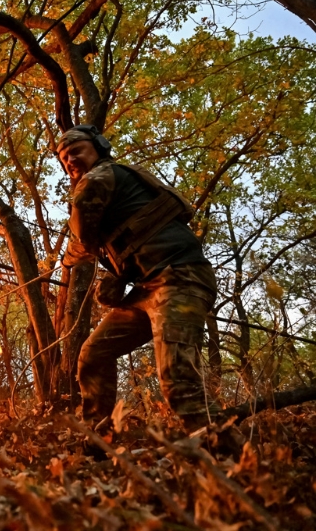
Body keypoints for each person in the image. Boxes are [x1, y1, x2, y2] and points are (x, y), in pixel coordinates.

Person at [57, 124, 220, 434]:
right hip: (149, 288)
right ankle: (97, 442)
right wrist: (117, 276)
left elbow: (82, 240)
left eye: (76, 151)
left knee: (179, 383)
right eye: (65, 159)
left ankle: (233, 454)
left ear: (99, 147)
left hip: (180, 279)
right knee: (93, 354)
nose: (71, 161)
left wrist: (66, 260)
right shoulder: (116, 182)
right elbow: (124, 242)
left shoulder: (98, 178)